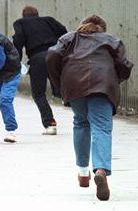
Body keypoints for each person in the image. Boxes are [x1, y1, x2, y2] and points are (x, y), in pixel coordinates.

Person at [46, 15, 133, 201]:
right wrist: (115, 79)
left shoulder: (69, 38)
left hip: (74, 83)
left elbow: (52, 55)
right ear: (102, 28)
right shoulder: (111, 40)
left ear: (82, 26)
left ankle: (83, 173)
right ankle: (100, 169)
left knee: (81, 123)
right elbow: (125, 65)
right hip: (102, 85)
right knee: (101, 127)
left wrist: (59, 81)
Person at [13, 5, 67, 135]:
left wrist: (17, 61)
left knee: (39, 93)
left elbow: (18, 42)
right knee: (61, 88)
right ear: (37, 14)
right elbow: (65, 33)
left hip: (38, 59)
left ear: (23, 15)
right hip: (55, 55)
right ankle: (64, 96)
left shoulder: (20, 23)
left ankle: (50, 124)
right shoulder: (48, 20)